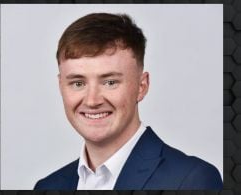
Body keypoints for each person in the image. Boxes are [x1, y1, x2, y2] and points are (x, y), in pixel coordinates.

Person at [34, 13, 223, 190]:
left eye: (110, 82)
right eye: (77, 83)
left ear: (142, 86)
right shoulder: (47, 186)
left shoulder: (192, 180)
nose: (92, 101)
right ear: (61, 86)